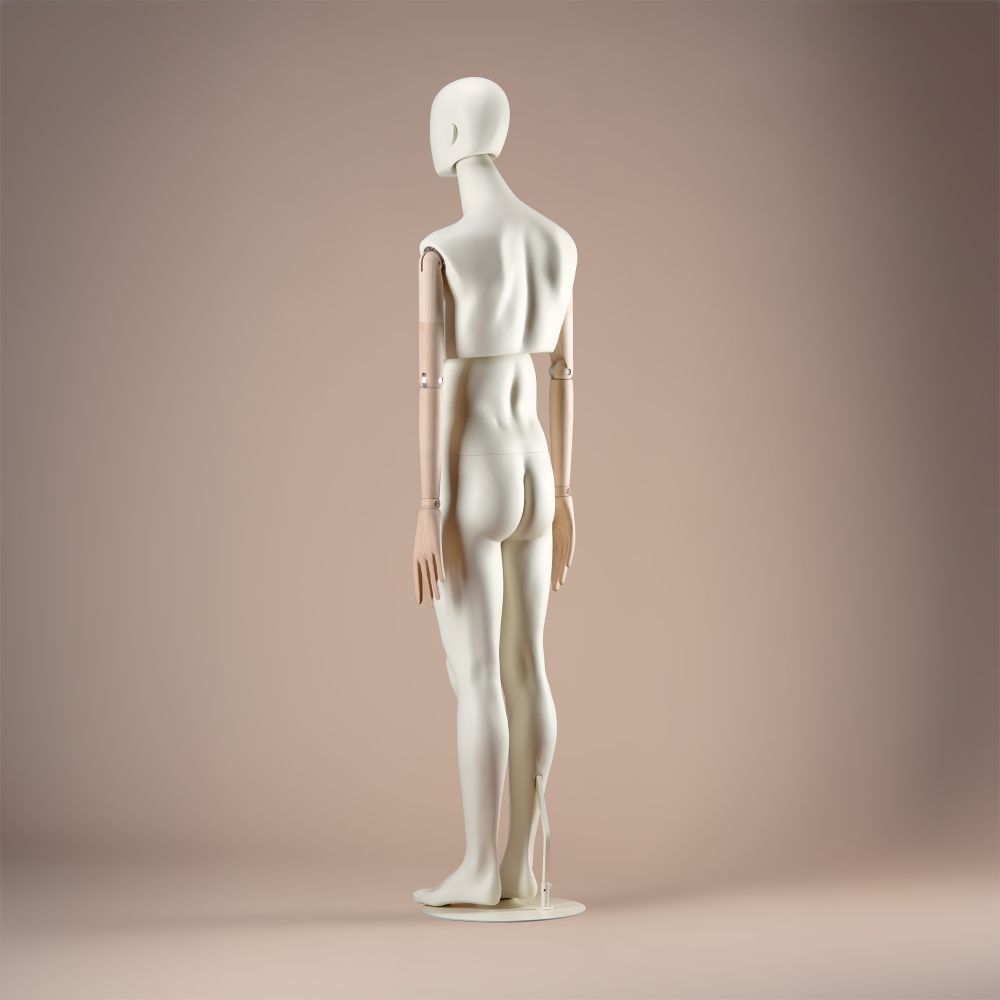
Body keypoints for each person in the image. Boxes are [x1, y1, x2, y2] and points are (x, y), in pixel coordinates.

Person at [411, 77, 577, 907]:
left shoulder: (442, 248)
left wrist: (426, 508)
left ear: (450, 134)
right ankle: (524, 868)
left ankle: (481, 868)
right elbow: (564, 372)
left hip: (472, 472)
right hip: (538, 467)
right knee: (527, 665)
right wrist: (568, 493)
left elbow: (428, 383)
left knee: (476, 675)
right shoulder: (557, 243)